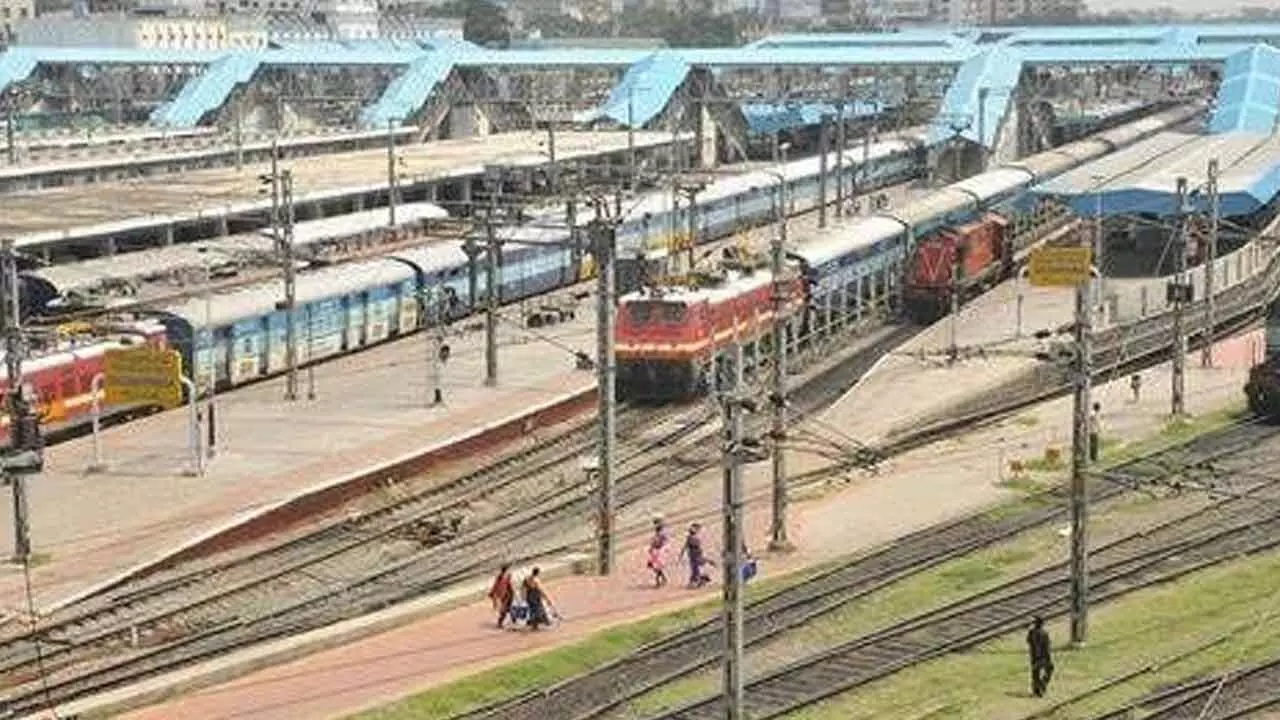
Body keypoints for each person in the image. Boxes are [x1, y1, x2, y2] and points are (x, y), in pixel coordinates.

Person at [1026, 616, 1054, 697]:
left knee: (1035, 673)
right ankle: (1042, 685)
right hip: (1043, 656)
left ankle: (1036, 689)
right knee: (1049, 669)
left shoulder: (1031, 632)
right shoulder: (1044, 633)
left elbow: (1028, 641)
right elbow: (1047, 646)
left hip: (1034, 656)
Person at [679, 523, 711, 588]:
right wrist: (682, 554)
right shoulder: (691, 538)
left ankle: (700, 580)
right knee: (695, 569)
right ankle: (700, 580)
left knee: (696, 569)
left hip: (696, 556)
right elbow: (686, 546)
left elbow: (689, 546)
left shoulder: (694, 539)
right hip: (693, 556)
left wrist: (682, 554)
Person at [487, 564, 515, 629]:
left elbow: (509, 584)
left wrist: (512, 592)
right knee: (505, 609)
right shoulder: (501, 577)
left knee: (510, 608)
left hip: (508, 594)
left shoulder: (507, 576)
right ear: (506, 570)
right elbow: (496, 585)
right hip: (504, 595)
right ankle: (500, 622)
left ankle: (512, 620)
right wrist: (492, 592)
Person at [647, 517, 669, 588]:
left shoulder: (663, 532)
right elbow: (655, 541)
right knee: (654, 566)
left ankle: (658, 581)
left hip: (660, 550)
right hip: (656, 550)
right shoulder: (657, 532)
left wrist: (662, 548)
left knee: (657, 566)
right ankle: (663, 578)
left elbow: (664, 541)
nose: (655, 525)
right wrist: (651, 547)